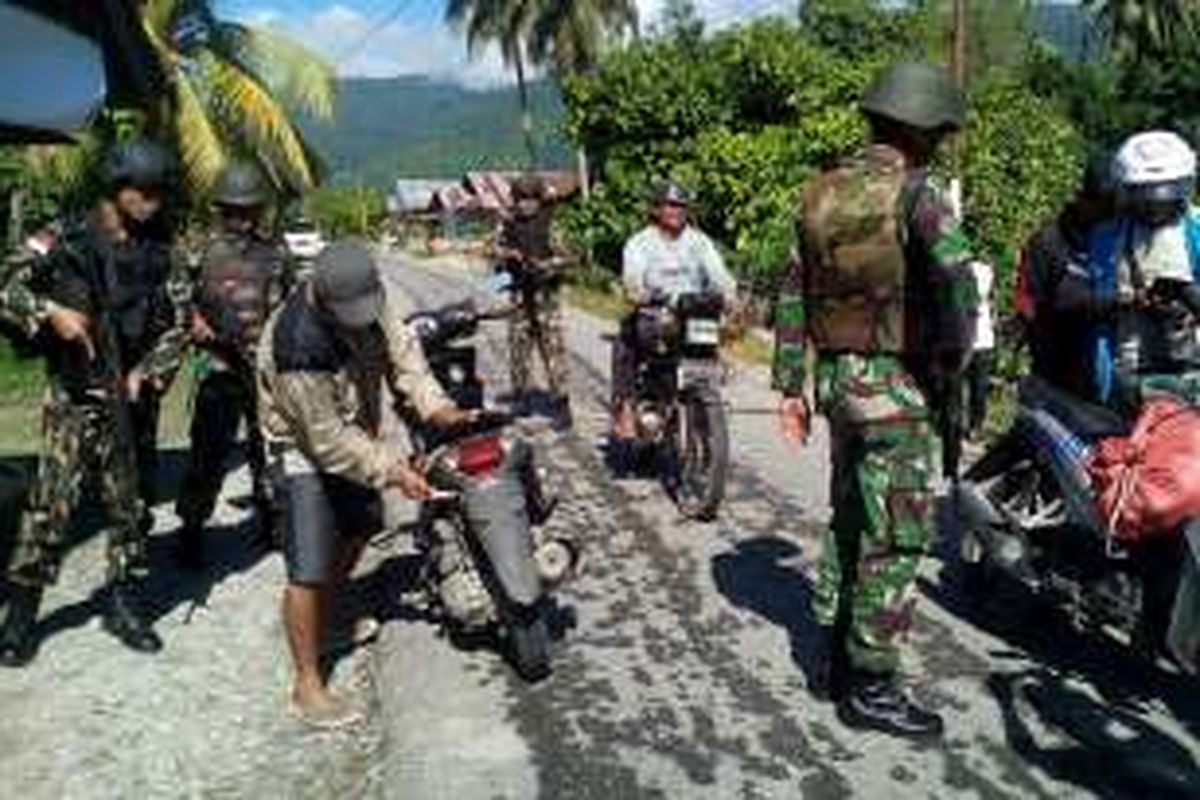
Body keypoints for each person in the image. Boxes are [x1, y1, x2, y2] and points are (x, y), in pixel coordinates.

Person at [774, 62, 978, 739]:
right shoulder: (919, 193)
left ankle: (832, 654)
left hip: (837, 380)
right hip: (896, 384)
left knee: (850, 515)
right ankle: (872, 683)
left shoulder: (818, 192)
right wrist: (950, 363)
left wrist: (789, 385)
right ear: (923, 129)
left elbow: (791, 291)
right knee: (895, 534)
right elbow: (957, 281)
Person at [257, 238, 474, 728]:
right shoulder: (297, 344)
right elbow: (326, 441)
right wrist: (395, 471)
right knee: (308, 565)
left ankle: (330, 620)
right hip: (302, 450)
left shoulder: (368, 297)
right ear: (322, 296)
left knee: (361, 527)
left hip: (355, 432)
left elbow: (405, 355)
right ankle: (307, 685)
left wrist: (436, 406)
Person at [0, 138, 186, 666]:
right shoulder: (64, 235)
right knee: (49, 507)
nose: (152, 201)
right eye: (142, 191)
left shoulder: (162, 249)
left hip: (129, 401)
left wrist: (147, 371)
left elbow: (178, 324)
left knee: (129, 507)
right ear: (117, 187)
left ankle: (123, 605)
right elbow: (5, 283)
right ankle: (20, 615)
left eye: (158, 192)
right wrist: (49, 312)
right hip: (72, 394)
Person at [175, 160, 293, 567]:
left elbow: (291, 306)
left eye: (249, 211)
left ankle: (273, 522)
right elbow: (174, 300)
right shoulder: (198, 251)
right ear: (221, 210)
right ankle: (191, 529)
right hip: (218, 367)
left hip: (264, 370)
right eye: (233, 211)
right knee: (208, 453)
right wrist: (194, 321)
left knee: (270, 451)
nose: (241, 220)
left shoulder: (277, 253)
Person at [611, 182, 738, 437]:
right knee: (624, 341)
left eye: (681, 205)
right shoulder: (640, 243)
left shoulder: (700, 242)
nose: (676, 210)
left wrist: (730, 295)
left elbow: (718, 273)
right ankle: (625, 406)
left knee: (710, 354)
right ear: (657, 209)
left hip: (694, 316)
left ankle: (705, 406)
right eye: (670, 205)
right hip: (656, 315)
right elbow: (633, 276)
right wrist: (637, 291)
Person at [1087, 131, 1200, 411]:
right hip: (1127, 364)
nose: (1156, 207)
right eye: (1146, 197)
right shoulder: (1106, 237)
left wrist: (1186, 295)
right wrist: (1130, 301)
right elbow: (1091, 300)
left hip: (1191, 363)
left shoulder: (1195, 230)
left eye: (1165, 196)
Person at [1014, 155, 1117, 398]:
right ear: (1086, 200)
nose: (1111, 215)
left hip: (1108, 364)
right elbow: (1026, 299)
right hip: (1057, 365)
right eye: (1106, 206)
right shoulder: (1048, 242)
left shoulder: (1116, 236)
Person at [492, 174, 573, 429]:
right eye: (521, 199)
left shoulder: (551, 223)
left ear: (539, 200)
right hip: (518, 294)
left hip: (545, 295)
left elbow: (570, 257)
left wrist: (547, 265)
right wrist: (508, 255)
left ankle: (561, 403)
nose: (526, 204)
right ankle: (522, 398)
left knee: (553, 349)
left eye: (531, 199)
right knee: (519, 347)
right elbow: (492, 251)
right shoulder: (507, 223)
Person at [965, 260, 995, 439]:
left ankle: (975, 425)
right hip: (972, 340)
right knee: (978, 387)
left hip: (979, 340)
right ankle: (975, 426)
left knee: (977, 388)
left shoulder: (984, 270)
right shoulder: (985, 270)